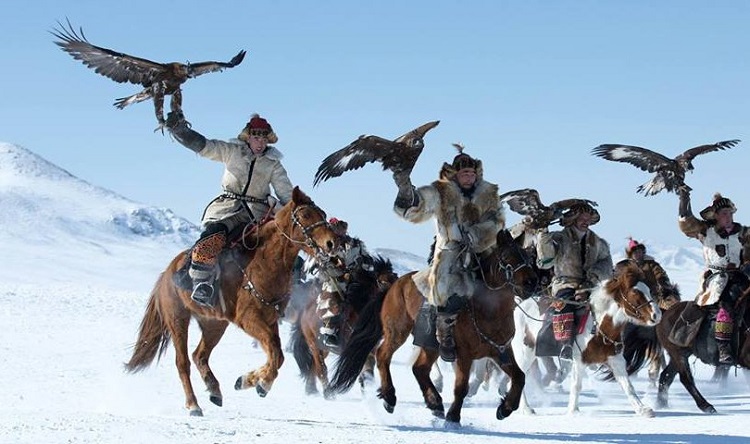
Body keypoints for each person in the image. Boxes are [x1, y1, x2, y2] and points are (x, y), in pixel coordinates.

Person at [165, 111, 294, 307]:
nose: (260, 142)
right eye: (256, 137)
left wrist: (302, 209)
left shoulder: (273, 165)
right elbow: (205, 146)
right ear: (248, 137)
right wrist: (180, 131)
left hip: (257, 215)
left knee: (280, 246)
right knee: (213, 235)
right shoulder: (232, 151)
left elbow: (286, 193)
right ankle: (202, 283)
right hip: (228, 209)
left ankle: (285, 295)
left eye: (264, 138)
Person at [392, 146, 504, 362]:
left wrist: (478, 234)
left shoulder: (488, 193)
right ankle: (445, 333)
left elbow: (497, 220)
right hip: (451, 250)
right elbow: (417, 208)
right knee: (448, 285)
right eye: (464, 173)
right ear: (455, 174)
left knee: (505, 277)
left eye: (472, 173)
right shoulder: (439, 192)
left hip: (484, 246)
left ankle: (502, 334)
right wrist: (405, 188)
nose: (469, 176)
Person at [677, 190, 750, 365]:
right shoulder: (705, 230)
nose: (728, 216)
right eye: (723, 213)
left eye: (730, 213)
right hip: (717, 279)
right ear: (716, 216)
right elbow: (686, 224)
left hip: (740, 277)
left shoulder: (744, 232)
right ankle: (724, 347)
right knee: (727, 305)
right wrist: (684, 200)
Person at [536, 202, 613, 360]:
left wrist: (592, 279)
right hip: (565, 283)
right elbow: (546, 260)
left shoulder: (599, 242)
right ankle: (567, 345)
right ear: (572, 219)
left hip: (592, 285)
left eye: (588, 218)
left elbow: (606, 263)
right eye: (581, 218)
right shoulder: (559, 238)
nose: (585, 221)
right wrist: (543, 234)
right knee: (566, 304)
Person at [314, 217, 373, 348]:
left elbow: (369, 260)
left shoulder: (356, 244)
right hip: (335, 280)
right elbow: (319, 261)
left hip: (355, 279)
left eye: (342, 228)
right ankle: (329, 332)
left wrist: (363, 262)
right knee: (333, 300)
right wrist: (328, 266)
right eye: (337, 228)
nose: (340, 231)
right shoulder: (327, 244)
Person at [615, 238, 680, 310]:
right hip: (635, 296)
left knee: (671, 306)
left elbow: (659, 273)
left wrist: (662, 282)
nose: (637, 254)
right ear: (631, 255)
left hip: (653, 294)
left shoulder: (651, 264)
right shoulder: (625, 266)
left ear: (643, 252)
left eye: (639, 251)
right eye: (635, 252)